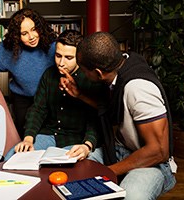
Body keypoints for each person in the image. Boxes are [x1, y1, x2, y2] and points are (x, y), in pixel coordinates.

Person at [59, 32, 176, 199]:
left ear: (99, 73)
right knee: (64, 163)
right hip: (117, 150)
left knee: (131, 196)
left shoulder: (139, 88)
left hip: (151, 163)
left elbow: (158, 151)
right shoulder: (121, 66)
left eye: (84, 71)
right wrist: (80, 95)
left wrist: (109, 171)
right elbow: (113, 107)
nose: (83, 75)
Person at [5, 30, 104, 163]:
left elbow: (96, 119)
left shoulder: (90, 78)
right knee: (12, 157)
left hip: (76, 140)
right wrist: (28, 138)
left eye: (68, 58)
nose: (61, 63)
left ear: (80, 57)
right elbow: (38, 109)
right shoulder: (49, 75)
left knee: (59, 169)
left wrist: (87, 145)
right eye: (58, 56)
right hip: (48, 135)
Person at [0, 8, 57, 138]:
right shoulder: (7, 50)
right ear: (16, 36)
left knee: (49, 138)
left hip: (50, 99)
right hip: (23, 102)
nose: (31, 37)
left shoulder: (53, 45)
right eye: (24, 33)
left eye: (34, 29)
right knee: (26, 139)